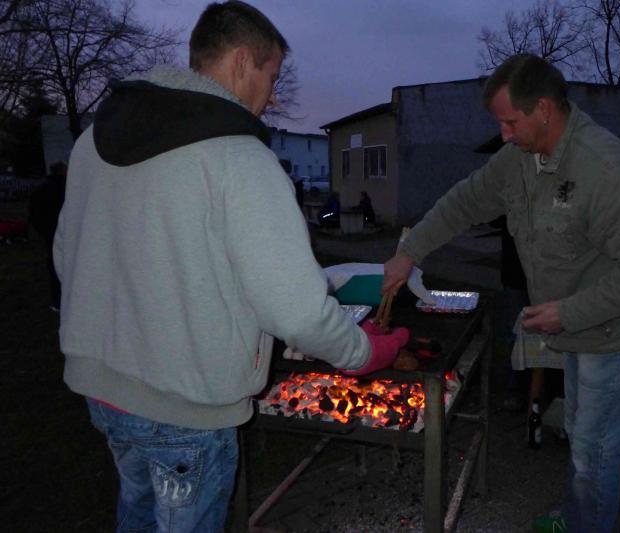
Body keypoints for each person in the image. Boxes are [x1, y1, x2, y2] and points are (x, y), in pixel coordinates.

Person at [53, 2, 408, 530]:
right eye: (273, 76)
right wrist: (362, 352)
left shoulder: (91, 143)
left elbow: (67, 254)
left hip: (104, 393)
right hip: (185, 410)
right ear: (242, 61)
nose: (272, 96)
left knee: (137, 515)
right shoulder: (239, 158)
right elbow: (296, 310)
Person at [382, 54, 620, 532]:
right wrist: (409, 252)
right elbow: (464, 202)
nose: (503, 135)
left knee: (595, 452)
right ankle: (578, 517)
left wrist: (569, 312)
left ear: (543, 109)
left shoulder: (606, 170)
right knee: (581, 435)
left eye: (509, 122)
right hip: (579, 329)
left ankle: (585, 524)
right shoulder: (521, 158)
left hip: (616, 334)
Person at [29, 161, 67, 311]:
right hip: (65, 232)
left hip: (50, 233)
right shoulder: (68, 187)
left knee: (54, 266)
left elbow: (34, 213)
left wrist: (43, 231)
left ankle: (58, 301)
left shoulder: (40, 189)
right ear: (62, 171)